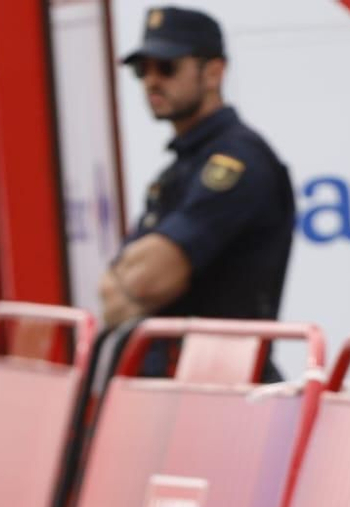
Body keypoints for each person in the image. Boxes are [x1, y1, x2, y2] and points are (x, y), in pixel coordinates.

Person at [100, 7, 294, 350]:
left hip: (223, 382)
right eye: (141, 70)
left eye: (167, 67)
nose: (151, 80)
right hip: (179, 382)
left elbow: (145, 281)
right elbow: (109, 292)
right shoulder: (179, 167)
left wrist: (137, 280)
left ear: (214, 73)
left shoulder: (239, 160)